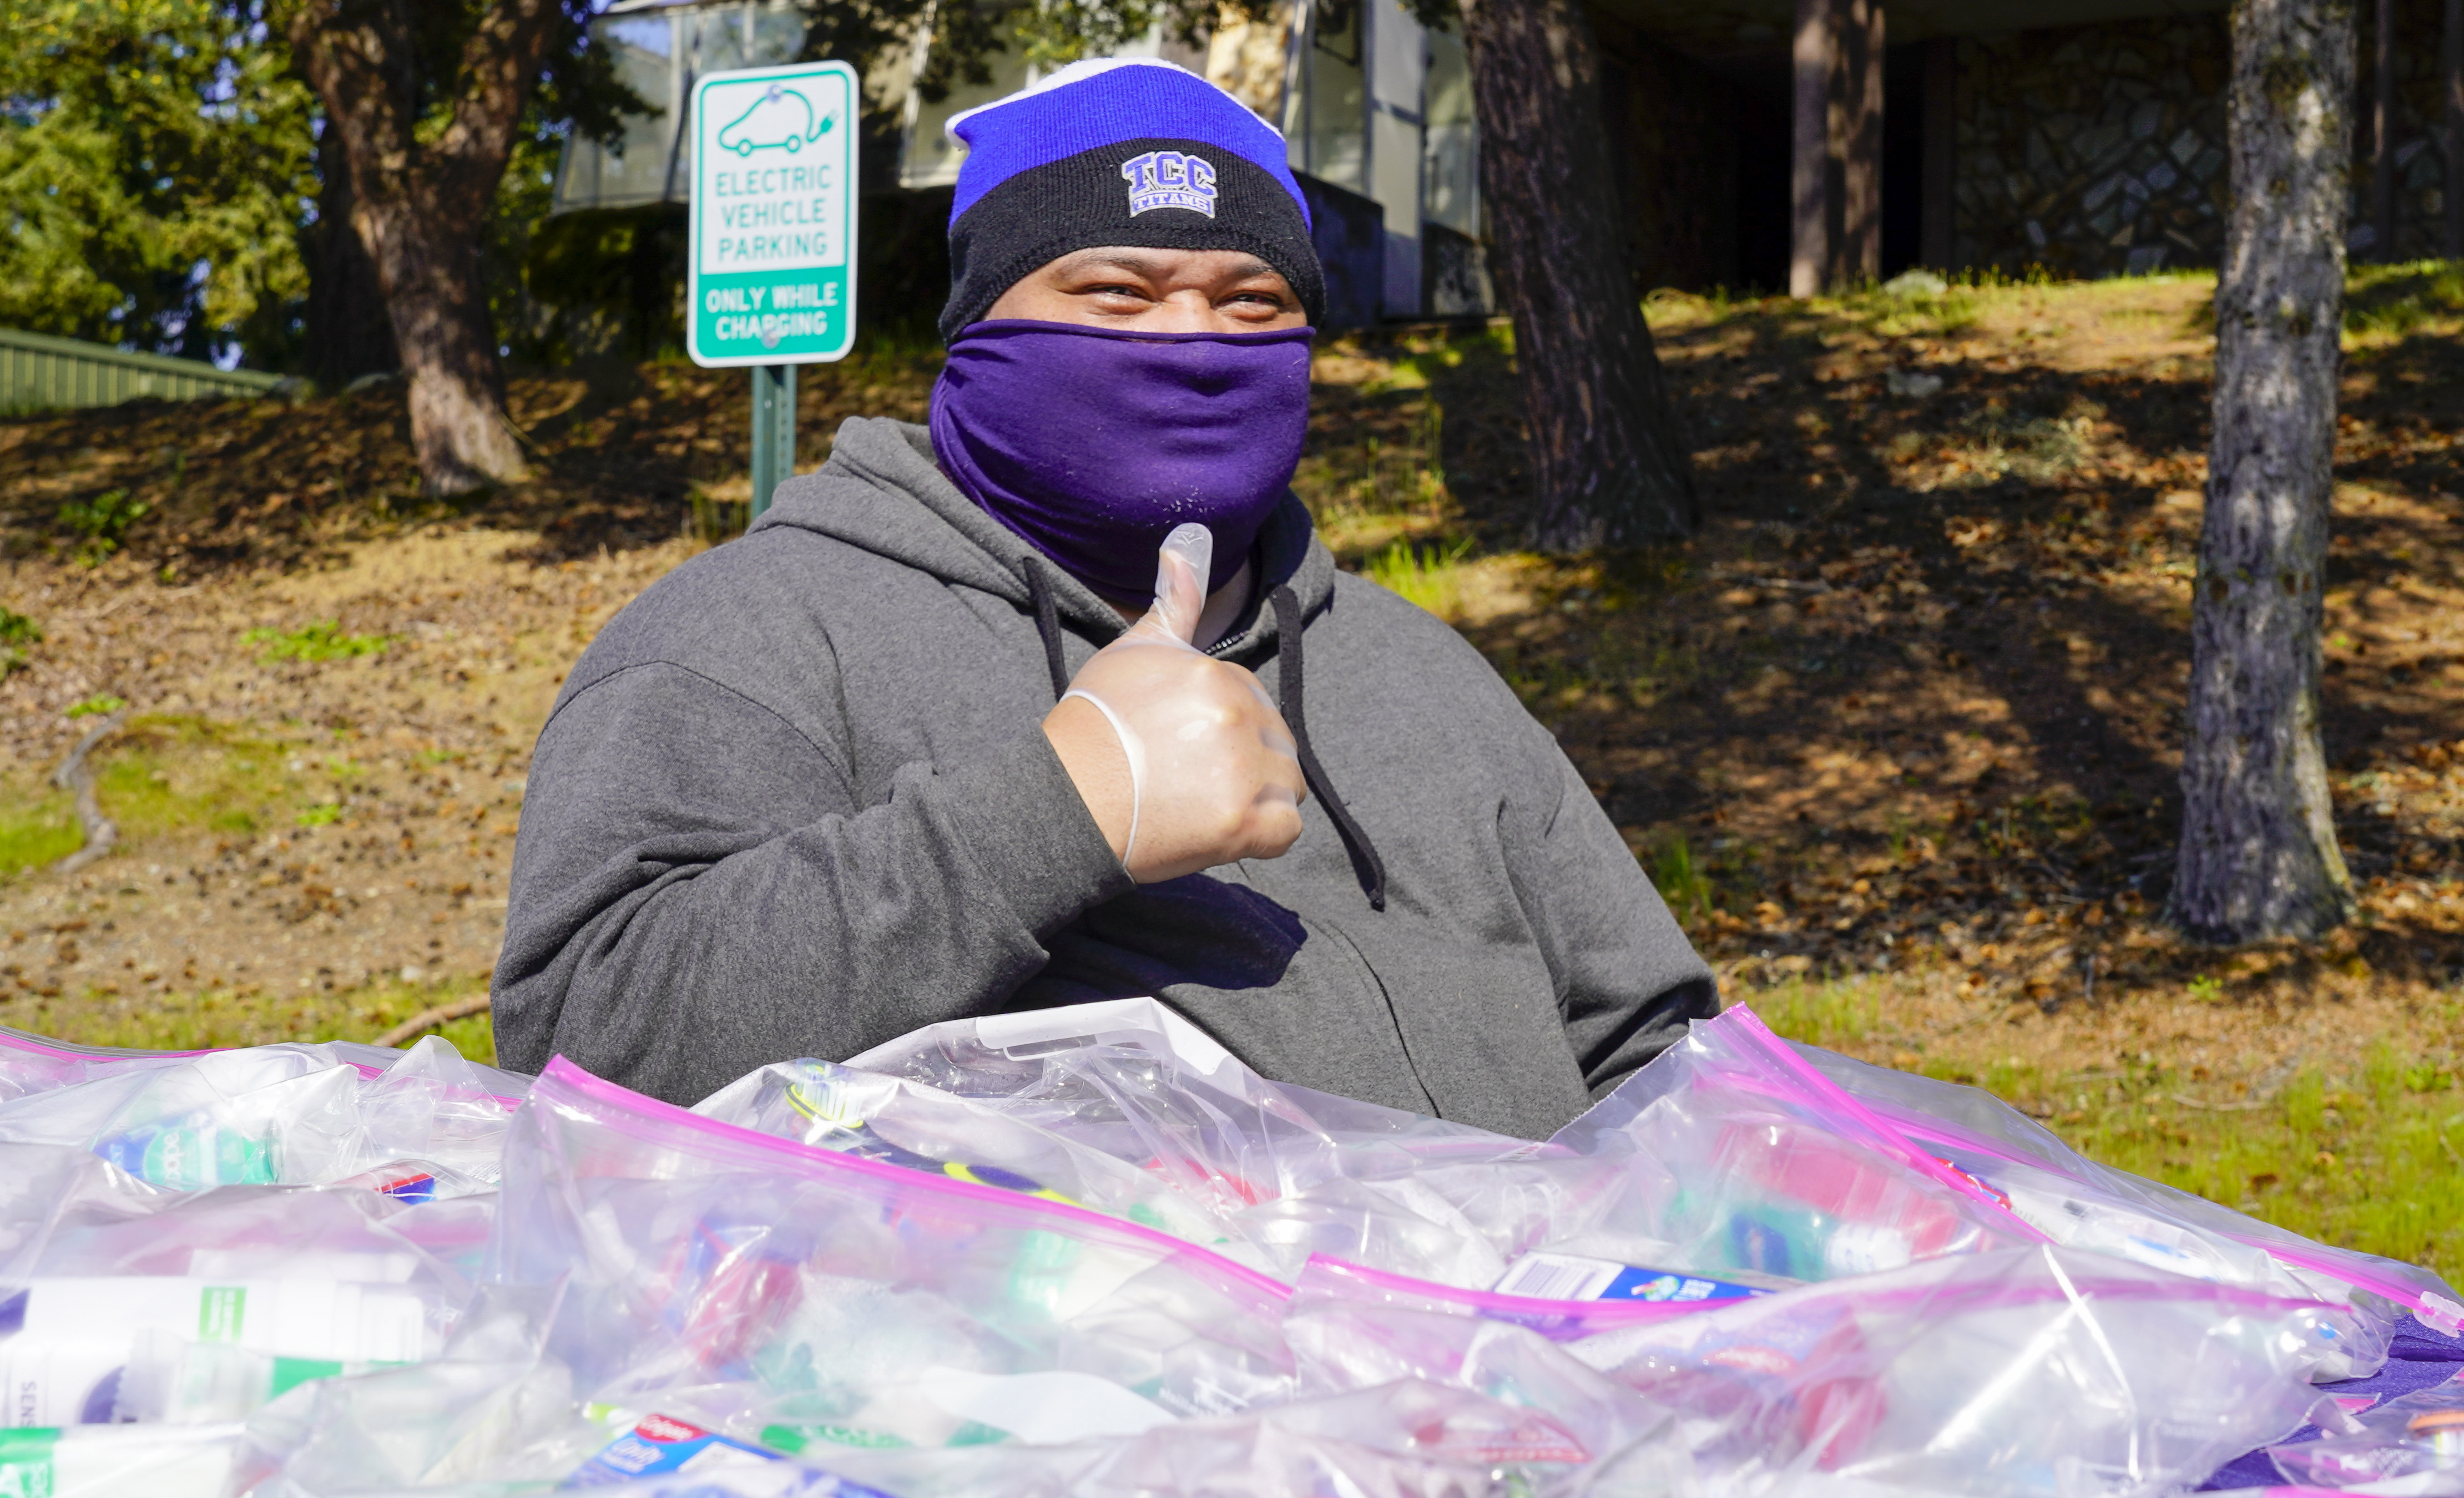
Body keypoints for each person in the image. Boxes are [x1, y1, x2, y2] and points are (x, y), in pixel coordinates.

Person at [493, 58, 1713, 1140]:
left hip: (1515, 1365)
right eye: (1119, 293)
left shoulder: (1421, 669)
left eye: (1252, 304)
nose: (1190, 339)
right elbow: (583, 1052)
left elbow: (1650, 1046)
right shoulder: (750, 640)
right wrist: (1055, 813)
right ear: (975, 330)